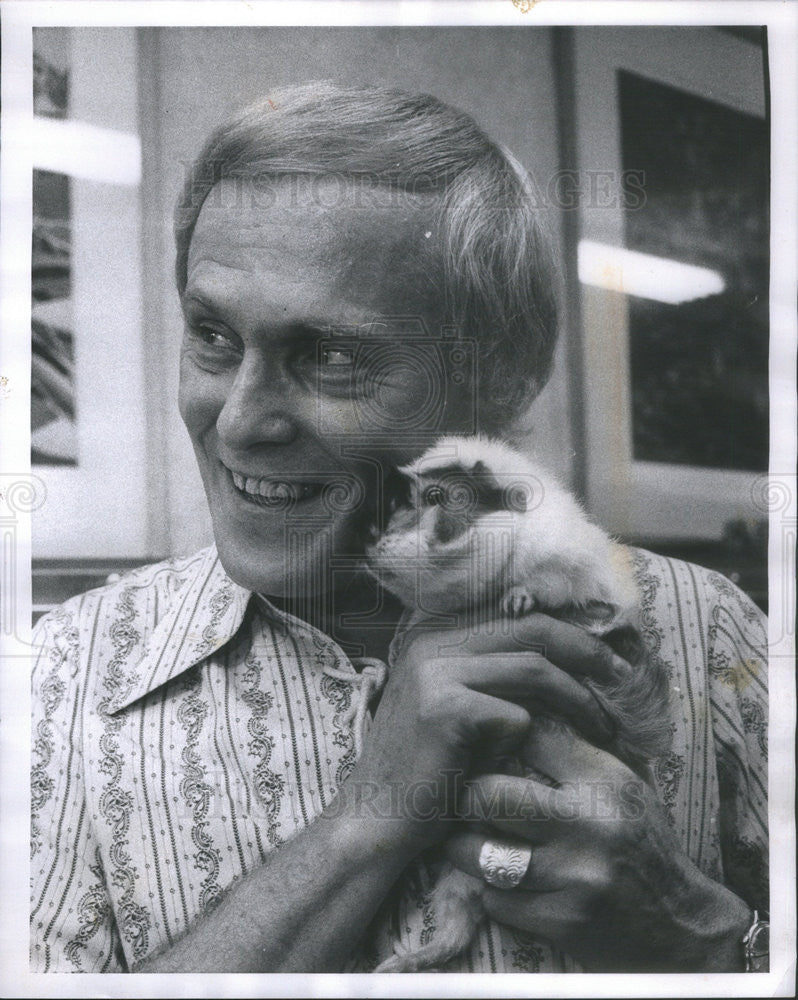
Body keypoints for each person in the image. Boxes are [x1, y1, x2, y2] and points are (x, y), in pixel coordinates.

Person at [30, 83, 768, 974]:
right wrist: (365, 825)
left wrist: (704, 934)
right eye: (214, 336)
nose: (237, 422)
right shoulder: (67, 678)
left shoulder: (711, 635)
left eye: (332, 356)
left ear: (506, 381)